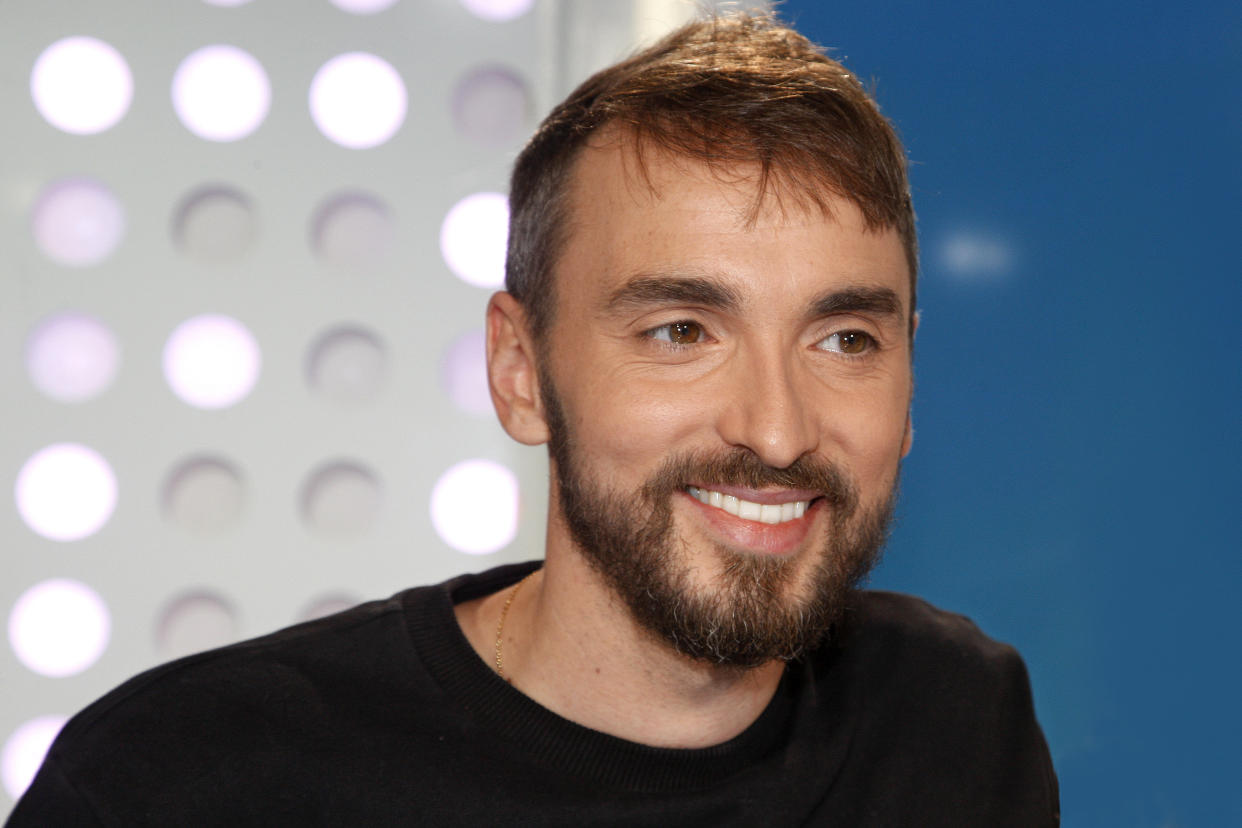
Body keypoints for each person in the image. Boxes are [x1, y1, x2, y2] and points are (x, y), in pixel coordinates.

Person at [8, 12, 1059, 827]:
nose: (777, 431)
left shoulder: (954, 722)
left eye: (845, 341)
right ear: (518, 370)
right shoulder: (187, 781)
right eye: (682, 330)